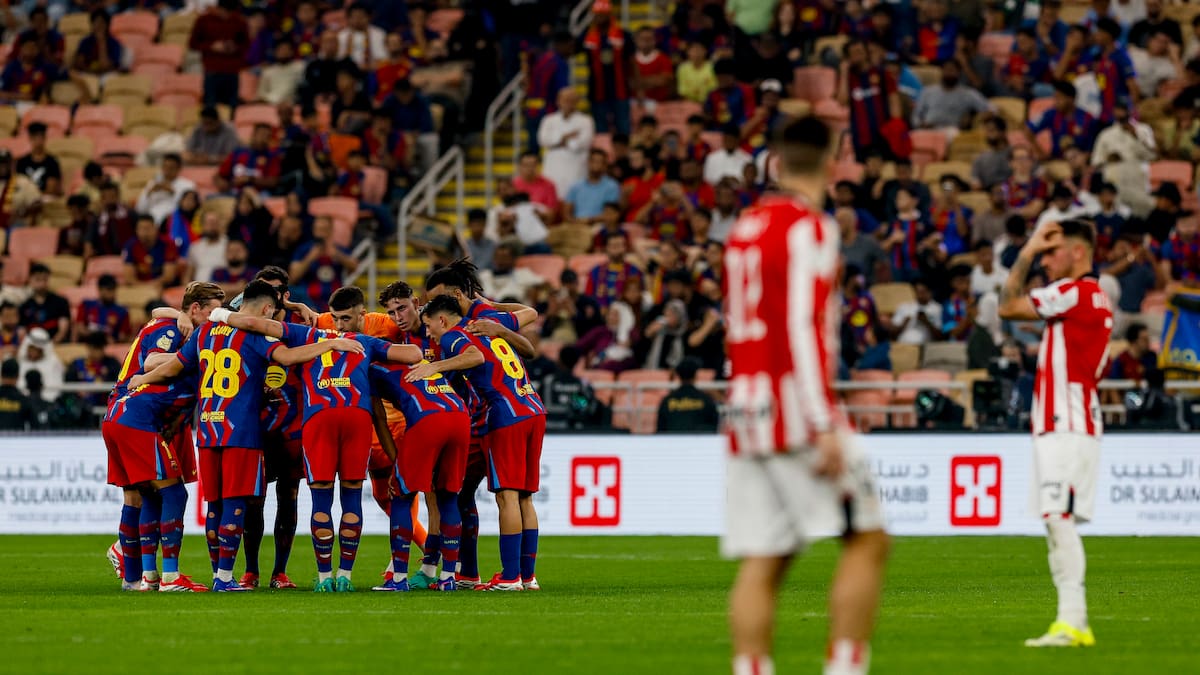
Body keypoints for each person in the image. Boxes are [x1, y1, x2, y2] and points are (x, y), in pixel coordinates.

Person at [723, 116, 888, 675]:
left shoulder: (745, 226)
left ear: (776, 159)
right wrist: (823, 423)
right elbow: (801, 324)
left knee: (765, 557)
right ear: (835, 158)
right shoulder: (810, 226)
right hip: (795, 407)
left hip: (745, 405)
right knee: (867, 537)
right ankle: (845, 667)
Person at [132, 281, 368, 592]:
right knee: (235, 502)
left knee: (214, 505)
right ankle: (225, 579)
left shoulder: (204, 332)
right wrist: (331, 344)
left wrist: (141, 378)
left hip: (207, 428)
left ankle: (219, 572)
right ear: (268, 309)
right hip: (240, 430)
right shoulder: (253, 336)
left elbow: (173, 366)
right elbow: (287, 357)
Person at [998, 219, 1112, 647]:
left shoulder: (1074, 292)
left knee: (1058, 519)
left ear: (1078, 252)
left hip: (1066, 422)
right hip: (1071, 421)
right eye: (1043, 253)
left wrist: (1026, 251)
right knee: (1055, 519)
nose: (1046, 260)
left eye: (1053, 251)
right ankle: (1072, 621)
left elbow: (1007, 307)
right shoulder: (1093, 297)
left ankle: (1072, 621)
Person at [410, 294, 547, 592]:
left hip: (505, 415)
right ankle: (527, 576)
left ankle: (510, 578)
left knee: (506, 496)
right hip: (532, 406)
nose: (428, 333)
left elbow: (475, 358)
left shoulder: (453, 338)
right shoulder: (489, 322)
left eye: (429, 326)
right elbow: (530, 312)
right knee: (525, 497)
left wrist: (436, 367)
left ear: (442, 320)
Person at [368, 358, 470, 591]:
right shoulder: (419, 361)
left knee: (402, 495)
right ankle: (448, 578)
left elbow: (379, 418)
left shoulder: (371, 368)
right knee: (448, 496)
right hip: (460, 415)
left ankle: (398, 579)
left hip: (427, 418)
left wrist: (397, 463)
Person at [583, 0, 633, 135]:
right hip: (597, 90)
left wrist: (636, 85)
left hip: (620, 89)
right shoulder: (588, 36)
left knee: (623, 127)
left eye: (602, 14)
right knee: (601, 129)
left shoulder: (623, 35)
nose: (599, 17)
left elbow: (632, 61)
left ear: (609, 14)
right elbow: (570, 50)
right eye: (596, 14)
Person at [189, 0, 250, 109]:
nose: (227, 15)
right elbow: (193, 44)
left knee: (232, 107)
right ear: (218, 8)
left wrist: (234, 47)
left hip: (232, 70)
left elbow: (246, 45)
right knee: (210, 105)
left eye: (230, 13)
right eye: (224, 12)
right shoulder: (203, 20)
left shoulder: (239, 21)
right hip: (212, 69)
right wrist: (211, 46)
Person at [537, 88, 595, 203]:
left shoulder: (586, 121)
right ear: (558, 101)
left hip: (576, 168)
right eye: (565, 100)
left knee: (573, 200)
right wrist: (564, 138)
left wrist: (558, 142)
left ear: (577, 101)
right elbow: (543, 140)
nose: (568, 103)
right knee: (551, 199)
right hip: (552, 167)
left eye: (572, 100)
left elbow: (583, 143)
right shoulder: (549, 120)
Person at [290, 216, 358, 311]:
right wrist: (310, 258)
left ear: (331, 230)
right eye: (318, 229)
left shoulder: (338, 249)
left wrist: (337, 255)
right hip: (309, 301)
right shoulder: (304, 250)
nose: (321, 233)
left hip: (335, 300)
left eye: (324, 229)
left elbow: (354, 266)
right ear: (314, 230)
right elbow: (293, 277)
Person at [655, 357, 718, 432]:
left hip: (673, 442)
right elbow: (714, 426)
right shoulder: (706, 399)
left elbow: (660, 430)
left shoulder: (667, 401)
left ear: (679, 376)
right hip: (699, 442)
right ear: (695, 376)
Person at [123, 213, 181, 287]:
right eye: (140, 228)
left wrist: (152, 286)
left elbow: (168, 276)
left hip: (163, 287)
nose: (144, 233)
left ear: (155, 228)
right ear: (136, 230)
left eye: (147, 228)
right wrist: (145, 287)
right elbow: (129, 278)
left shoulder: (168, 244)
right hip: (139, 287)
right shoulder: (130, 246)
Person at [136, 154, 195, 226]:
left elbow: (188, 209)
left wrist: (173, 192)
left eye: (171, 168)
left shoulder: (188, 185)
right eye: (165, 167)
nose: (167, 171)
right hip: (151, 221)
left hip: (174, 223)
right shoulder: (153, 184)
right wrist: (149, 193)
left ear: (179, 169)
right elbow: (140, 209)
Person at [18, 264, 69, 343]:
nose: (42, 284)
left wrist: (50, 345)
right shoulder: (24, 306)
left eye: (45, 279)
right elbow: (22, 332)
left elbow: (62, 331)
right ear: (30, 280)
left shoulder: (61, 302)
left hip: (55, 345)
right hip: (32, 349)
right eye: (38, 280)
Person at [74, 274, 130, 343]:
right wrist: (99, 337)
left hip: (110, 347)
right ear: (100, 289)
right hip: (87, 344)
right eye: (109, 290)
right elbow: (79, 328)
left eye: (114, 289)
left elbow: (122, 337)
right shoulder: (86, 305)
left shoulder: (122, 311)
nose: (112, 293)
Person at [16, 327, 62, 402]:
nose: (33, 353)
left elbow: (54, 390)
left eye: (37, 350)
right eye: (32, 348)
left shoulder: (53, 363)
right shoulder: (20, 361)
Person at [336, 2, 387, 70]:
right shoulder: (341, 36)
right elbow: (338, 58)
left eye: (361, 16)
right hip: (347, 73)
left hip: (371, 72)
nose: (357, 20)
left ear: (369, 17)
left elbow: (383, 59)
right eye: (354, 17)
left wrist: (368, 67)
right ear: (349, 18)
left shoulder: (379, 34)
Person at [16, 122, 61, 196]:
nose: (38, 141)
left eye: (41, 137)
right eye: (35, 137)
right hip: (25, 199)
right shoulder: (22, 162)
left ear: (45, 138)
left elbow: (51, 189)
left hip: (44, 198)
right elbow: (19, 185)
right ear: (30, 138)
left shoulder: (52, 162)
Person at [0, 358, 32, 431]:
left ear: (1, 375)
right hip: (16, 441)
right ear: (17, 376)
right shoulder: (24, 401)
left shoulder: (25, 400)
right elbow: (34, 429)